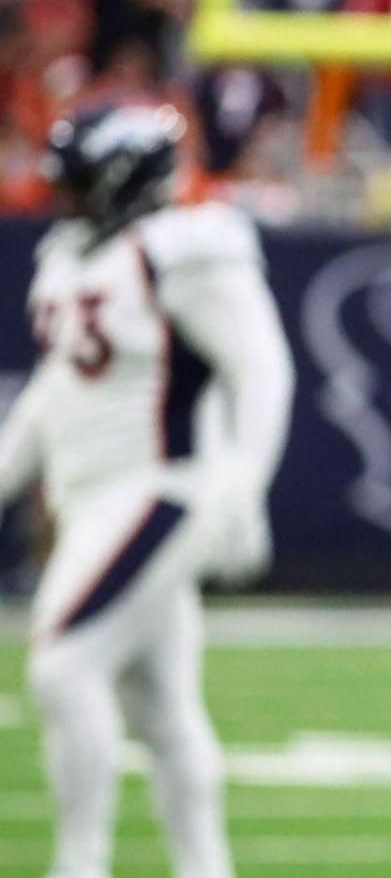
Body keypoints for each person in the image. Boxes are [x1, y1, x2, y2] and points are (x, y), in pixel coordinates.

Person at [0, 103, 294, 878]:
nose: (64, 199)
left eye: (79, 183)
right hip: (94, 496)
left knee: (63, 667)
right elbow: (51, 394)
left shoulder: (183, 250)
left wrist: (246, 482)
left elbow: (260, 366)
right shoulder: (70, 258)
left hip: (162, 490)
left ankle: (80, 864)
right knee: (161, 710)